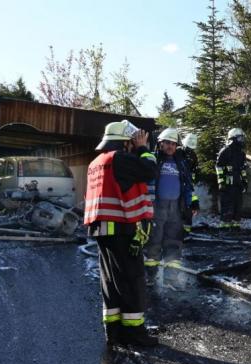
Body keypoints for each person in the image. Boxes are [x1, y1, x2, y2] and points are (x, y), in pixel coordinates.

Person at [85, 120, 158, 347]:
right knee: (132, 280)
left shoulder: (97, 162)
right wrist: (143, 148)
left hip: (101, 229)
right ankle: (135, 334)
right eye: (132, 143)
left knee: (110, 281)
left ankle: (114, 332)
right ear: (126, 142)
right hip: (120, 228)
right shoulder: (120, 158)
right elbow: (150, 171)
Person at [144, 128, 199, 286]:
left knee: (174, 242)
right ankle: (150, 277)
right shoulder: (153, 160)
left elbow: (188, 185)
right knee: (153, 242)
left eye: (173, 144)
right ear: (160, 144)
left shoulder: (181, 163)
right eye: (167, 143)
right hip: (156, 208)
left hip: (176, 208)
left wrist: (193, 202)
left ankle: (171, 278)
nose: (170, 146)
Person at [216, 128, 248, 228]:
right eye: (239, 138)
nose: (242, 140)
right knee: (227, 204)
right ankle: (224, 225)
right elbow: (219, 167)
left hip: (238, 183)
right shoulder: (225, 151)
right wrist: (221, 182)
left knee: (238, 204)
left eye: (242, 138)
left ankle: (236, 224)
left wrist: (245, 182)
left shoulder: (241, 153)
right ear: (233, 138)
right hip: (227, 183)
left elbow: (243, 168)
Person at [180, 133, 200, 236]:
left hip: (188, 185)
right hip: (178, 185)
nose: (189, 150)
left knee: (189, 209)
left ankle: (186, 232)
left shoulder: (193, 155)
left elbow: (195, 171)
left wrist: (195, 202)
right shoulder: (178, 152)